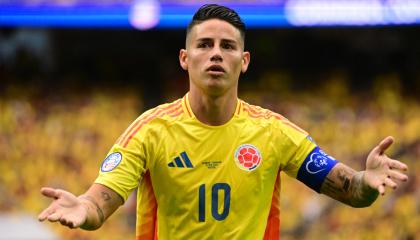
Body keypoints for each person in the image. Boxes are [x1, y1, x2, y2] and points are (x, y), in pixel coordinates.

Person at [38, 4, 408, 240]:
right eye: (205, 45)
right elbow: (101, 203)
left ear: (243, 61)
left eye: (227, 46)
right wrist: (83, 208)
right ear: (185, 58)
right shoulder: (150, 130)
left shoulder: (273, 131)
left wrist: (366, 182)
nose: (216, 54)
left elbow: (349, 189)